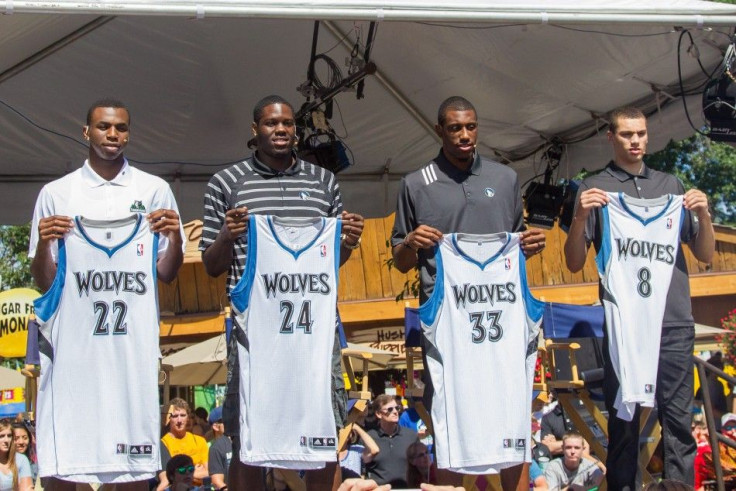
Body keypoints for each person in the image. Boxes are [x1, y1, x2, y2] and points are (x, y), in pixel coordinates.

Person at [200, 94, 364, 491]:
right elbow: (211, 264)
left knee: (324, 434)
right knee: (247, 437)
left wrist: (348, 242)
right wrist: (227, 234)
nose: (281, 130)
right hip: (254, 332)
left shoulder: (324, 182)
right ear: (255, 130)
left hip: (315, 328)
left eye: (288, 123)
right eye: (272, 123)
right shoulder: (226, 182)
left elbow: (329, 260)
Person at [391, 96, 546, 490]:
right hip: (449, 323)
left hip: (503, 319)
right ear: (439, 129)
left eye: (471, 126)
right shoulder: (415, 183)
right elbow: (401, 261)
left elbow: (515, 239)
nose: (464, 135)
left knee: (512, 415)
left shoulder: (505, 178)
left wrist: (527, 245)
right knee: (449, 418)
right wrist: (410, 241)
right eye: (455, 127)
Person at [29, 99, 184, 491]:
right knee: (64, 467)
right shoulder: (57, 194)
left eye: (120, 128)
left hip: (131, 357)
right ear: (87, 132)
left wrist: (174, 236)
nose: (112, 135)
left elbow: (166, 273)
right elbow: (46, 283)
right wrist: (47, 242)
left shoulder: (154, 190)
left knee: (131, 471)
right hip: (74, 361)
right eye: (103, 127)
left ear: (129, 133)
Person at [563, 106, 715, 488]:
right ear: (611, 137)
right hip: (625, 326)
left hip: (673, 320)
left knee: (679, 421)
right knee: (624, 421)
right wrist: (580, 218)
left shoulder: (671, 185)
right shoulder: (595, 189)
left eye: (642, 134)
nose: (636, 141)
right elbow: (574, 262)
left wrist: (706, 216)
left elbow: (706, 255)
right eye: (628, 134)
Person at [364, 394, 418, 487]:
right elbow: (362, 470)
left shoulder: (411, 436)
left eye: (397, 408)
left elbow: (421, 467)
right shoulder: (369, 438)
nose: (395, 412)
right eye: (390, 409)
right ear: (378, 414)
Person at [161, 399, 209, 484]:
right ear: (169, 418)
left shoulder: (199, 441)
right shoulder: (163, 444)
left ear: (188, 418)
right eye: (175, 416)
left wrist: (182, 474)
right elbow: (168, 478)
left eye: (183, 415)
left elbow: (209, 473)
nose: (179, 420)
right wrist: (195, 471)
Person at [0, 418, 33, 491]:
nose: (6, 440)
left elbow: (27, 488)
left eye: (9, 436)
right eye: (1, 436)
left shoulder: (21, 459)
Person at [207, 406, 232, 491]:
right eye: (226, 419)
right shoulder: (216, 448)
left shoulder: (242, 442)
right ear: (216, 427)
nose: (231, 420)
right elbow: (217, 481)